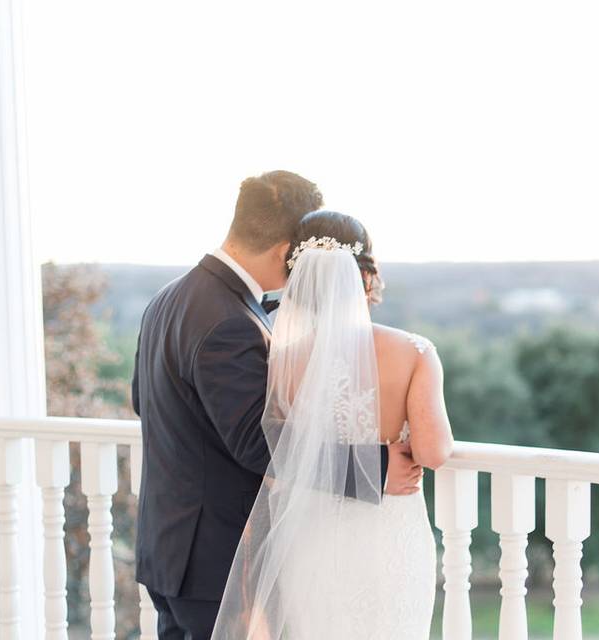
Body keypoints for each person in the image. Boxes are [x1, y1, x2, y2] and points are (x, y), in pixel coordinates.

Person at [131, 172, 424, 639]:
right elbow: (257, 442)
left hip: (167, 546)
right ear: (286, 247)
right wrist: (378, 466)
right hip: (213, 559)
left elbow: (142, 404)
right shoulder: (229, 321)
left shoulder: (168, 299)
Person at [211, 210, 454, 639]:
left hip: (312, 541)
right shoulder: (415, 352)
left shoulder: (284, 361)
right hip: (387, 540)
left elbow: (281, 452)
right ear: (366, 276)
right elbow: (434, 453)